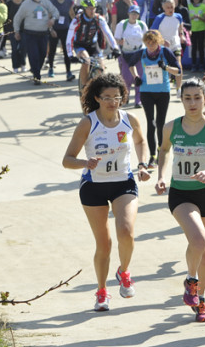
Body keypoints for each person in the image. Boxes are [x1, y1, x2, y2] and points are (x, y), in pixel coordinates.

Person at [61, 73, 151, 311]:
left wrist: (143, 164)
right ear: (97, 98)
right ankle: (102, 291)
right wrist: (85, 163)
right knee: (105, 244)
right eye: (107, 97)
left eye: (117, 97)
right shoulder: (88, 123)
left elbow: (141, 142)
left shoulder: (130, 119)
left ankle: (123, 271)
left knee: (127, 232)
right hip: (94, 187)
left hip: (124, 182)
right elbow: (67, 160)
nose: (113, 102)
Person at [155, 78, 205, 322]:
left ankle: (200, 299)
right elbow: (163, 151)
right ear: (181, 100)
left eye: (197, 98)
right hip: (182, 194)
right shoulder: (171, 127)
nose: (192, 103)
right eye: (187, 98)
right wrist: (160, 176)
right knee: (198, 239)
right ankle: (191, 280)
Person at [125, 30, 181, 168]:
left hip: (163, 92)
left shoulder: (165, 52)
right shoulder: (143, 52)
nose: (151, 46)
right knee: (151, 123)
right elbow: (130, 64)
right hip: (146, 92)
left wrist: (166, 67)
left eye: (154, 43)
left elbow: (178, 70)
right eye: (148, 43)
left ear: (159, 41)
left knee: (161, 123)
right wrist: (136, 77)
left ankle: (160, 150)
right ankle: (152, 156)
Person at [67, 0, 120, 93]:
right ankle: (85, 87)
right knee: (86, 61)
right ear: (84, 9)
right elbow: (69, 37)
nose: (92, 11)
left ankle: (99, 90)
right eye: (90, 9)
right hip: (80, 45)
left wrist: (115, 48)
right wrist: (70, 54)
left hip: (93, 45)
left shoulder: (99, 19)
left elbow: (108, 33)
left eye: (94, 8)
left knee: (101, 68)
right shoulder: (77, 20)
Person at [14, 0, 60, 85]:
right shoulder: (26, 4)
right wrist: (16, 31)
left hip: (43, 33)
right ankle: (36, 75)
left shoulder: (45, 2)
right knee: (33, 54)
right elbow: (17, 18)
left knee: (43, 54)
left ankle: (36, 70)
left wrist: (53, 19)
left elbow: (56, 12)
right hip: (30, 34)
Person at [114, 5, 148, 109]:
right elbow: (116, 38)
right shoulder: (122, 24)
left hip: (139, 53)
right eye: (132, 13)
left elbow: (147, 38)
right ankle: (126, 96)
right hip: (126, 54)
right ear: (128, 14)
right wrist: (120, 42)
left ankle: (138, 100)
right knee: (126, 78)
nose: (134, 15)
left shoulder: (142, 25)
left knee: (139, 77)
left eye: (136, 14)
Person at [151, 0, 185, 95]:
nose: (170, 10)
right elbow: (152, 32)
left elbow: (180, 26)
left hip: (175, 45)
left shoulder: (178, 16)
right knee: (163, 67)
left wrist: (181, 35)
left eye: (172, 7)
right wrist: (162, 40)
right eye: (168, 7)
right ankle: (161, 88)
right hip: (163, 47)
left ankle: (179, 89)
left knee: (178, 65)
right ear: (163, 7)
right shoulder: (159, 18)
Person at [46, 0, 75, 80]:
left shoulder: (69, 2)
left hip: (65, 29)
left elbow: (72, 15)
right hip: (55, 29)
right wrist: (51, 30)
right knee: (52, 50)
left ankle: (68, 72)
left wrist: (75, 28)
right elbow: (48, 18)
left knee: (67, 51)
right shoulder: (52, 3)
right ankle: (50, 68)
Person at [188, 0, 205, 72]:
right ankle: (193, 65)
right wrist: (192, 18)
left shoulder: (203, 7)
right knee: (193, 48)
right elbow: (187, 19)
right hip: (192, 30)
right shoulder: (189, 6)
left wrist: (199, 17)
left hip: (201, 30)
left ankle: (201, 65)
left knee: (201, 47)